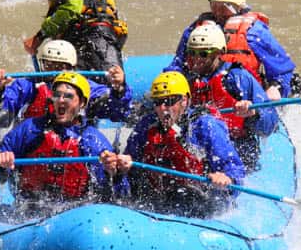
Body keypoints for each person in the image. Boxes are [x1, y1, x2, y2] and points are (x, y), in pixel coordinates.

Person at [100, 71, 245, 218]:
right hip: (159, 199)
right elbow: (130, 165)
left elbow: (235, 169)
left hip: (202, 201)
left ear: (185, 100)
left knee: (186, 196)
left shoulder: (205, 125)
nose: (162, 108)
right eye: (157, 102)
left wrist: (227, 179)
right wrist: (118, 168)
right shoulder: (146, 125)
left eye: (169, 101)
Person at [0, 72, 128, 211]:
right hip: (28, 208)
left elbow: (117, 197)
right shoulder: (30, 128)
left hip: (76, 210)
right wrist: (1, 163)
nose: (61, 100)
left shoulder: (93, 140)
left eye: (68, 96)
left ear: (82, 103)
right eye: (57, 95)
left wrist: (115, 173)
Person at [164, 0, 301, 100]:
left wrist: (276, 87)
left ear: (239, 7)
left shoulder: (254, 32)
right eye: (214, 6)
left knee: (292, 83)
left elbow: (282, 68)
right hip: (202, 89)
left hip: (242, 91)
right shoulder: (195, 31)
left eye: (224, 8)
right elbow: (178, 63)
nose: (218, 13)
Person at [182, 24, 279, 172]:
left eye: (203, 54)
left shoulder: (236, 78)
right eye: (192, 53)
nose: (196, 59)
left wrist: (253, 114)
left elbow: (270, 123)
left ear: (219, 52)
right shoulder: (188, 79)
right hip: (200, 148)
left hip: (237, 147)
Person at [0, 39, 132, 128]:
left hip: (73, 141)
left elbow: (118, 112)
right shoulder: (27, 86)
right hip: (32, 142)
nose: (54, 72)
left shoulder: (86, 87)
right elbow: (0, 120)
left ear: (71, 68)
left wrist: (119, 89)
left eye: (60, 66)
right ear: (42, 65)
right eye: (49, 65)